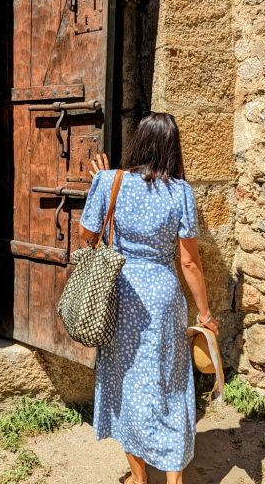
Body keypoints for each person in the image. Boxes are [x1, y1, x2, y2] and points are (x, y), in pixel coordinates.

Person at [78, 112, 219, 484]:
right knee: (171, 383)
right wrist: (204, 313)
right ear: (173, 148)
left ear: (139, 141)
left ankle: (139, 479)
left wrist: (100, 188)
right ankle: (174, 481)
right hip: (163, 297)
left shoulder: (110, 181)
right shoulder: (181, 192)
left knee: (125, 382)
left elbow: (86, 236)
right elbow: (189, 262)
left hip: (120, 294)